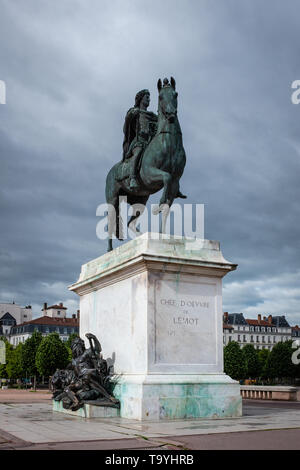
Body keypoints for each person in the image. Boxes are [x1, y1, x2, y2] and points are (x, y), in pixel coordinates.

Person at [122, 89, 158, 189]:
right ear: (141, 99)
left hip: (150, 142)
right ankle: (132, 178)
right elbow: (127, 123)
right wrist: (132, 114)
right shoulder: (134, 112)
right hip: (139, 141)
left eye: (149, 98)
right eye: (147, 97)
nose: (149, 100)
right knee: (138, 152)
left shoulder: (152, 115)